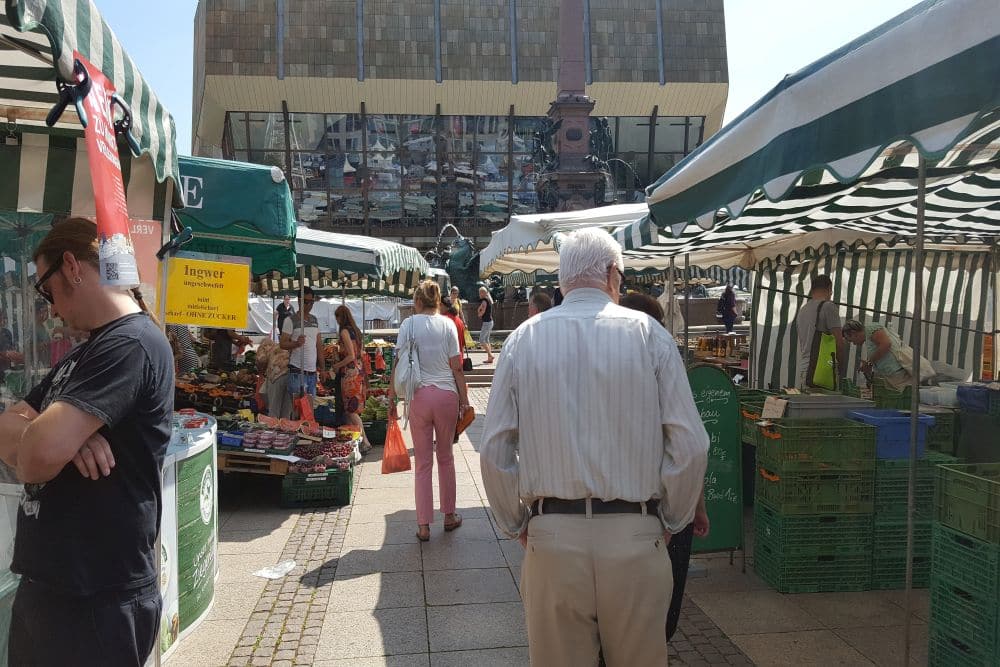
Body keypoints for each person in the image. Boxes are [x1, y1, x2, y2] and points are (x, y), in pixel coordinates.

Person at [480, 228, 709, 667]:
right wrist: (671, 519)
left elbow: (494, 451)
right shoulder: (650, 335)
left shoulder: (522, 341)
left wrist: (517, 524)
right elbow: (691, 445)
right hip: (635, 533)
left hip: (552, 535)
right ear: (611, 275)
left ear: (563, 280)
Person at [0, 217, 172, 666]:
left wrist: (50, 438)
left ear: (72, 265)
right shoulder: (88, 351)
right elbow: (6, 430)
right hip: (53, 589)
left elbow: (34, 460)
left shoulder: (130, 344)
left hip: (96, 597)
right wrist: (69, 440)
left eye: (45, 289)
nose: (50, 309)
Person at [619, 292, 710, 644]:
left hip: (617, 513)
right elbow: (689, 447)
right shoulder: (666, 363)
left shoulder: (602, 371)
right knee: (658, 622)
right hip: (666, 512)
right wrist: (693, 509)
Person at [388, 280, 470, 543]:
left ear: (417, 301)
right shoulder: (447, 324)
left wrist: (391, 398)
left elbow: (398, 362)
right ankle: (449, 516)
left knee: (423, 463)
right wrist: (464, 400)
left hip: (419, 396)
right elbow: (456, 366)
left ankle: (423, 525)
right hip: (446, 395)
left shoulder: (408, 324)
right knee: (446, 458)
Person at [330, 305, 371, 452]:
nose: (337, 321)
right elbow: (359, 353)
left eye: (337, 318)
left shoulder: (345, 331)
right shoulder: (356, 331)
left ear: (341, 317)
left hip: (350, 375)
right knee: (351, 410)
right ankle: (355, 442)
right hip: (358, 372)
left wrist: (337, 365)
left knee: (351, 410)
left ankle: (365, 441)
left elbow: (351, 356)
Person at [842, 319, 927, 390]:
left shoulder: (871, 328)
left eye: (850, 339)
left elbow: (886, 344)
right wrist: (869, 364)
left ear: (854, 333)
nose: (852, 343)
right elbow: (880, 352)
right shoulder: (868, 338)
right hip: (891, 375)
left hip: (897, 375)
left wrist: (869, 363)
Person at [795, 275, 847, 388]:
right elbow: (838, 342)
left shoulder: (802, 310)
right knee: (825, 405)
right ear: (829, 288)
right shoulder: (828, 307)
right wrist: (840, 368)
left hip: (805, 370)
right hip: (823, 371)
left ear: (812, 290)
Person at [281, 287, 325, 402]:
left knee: (309, 413)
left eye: (311, 302)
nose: (309, 305)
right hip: (297, 372)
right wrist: (296, 343)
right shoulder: (290, 320)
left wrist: (323, 369)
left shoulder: (314, 320)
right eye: (306, 302)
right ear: (299, 301)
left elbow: (319, 346)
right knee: (297, 412)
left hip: (312, 374)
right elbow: (282, 344)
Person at [255, 337, 291, 418]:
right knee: (286, 410)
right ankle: (285, 428)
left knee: (274, 409)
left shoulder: (268, 347)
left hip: (276, 376)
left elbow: (261, 360)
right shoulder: (289, 346)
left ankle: (273, 429)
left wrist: (261, 369)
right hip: (291, 376)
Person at [477, 285, 495, 364]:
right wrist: (479, 310)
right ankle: (489, 358)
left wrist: (479, 314)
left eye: (480, 293)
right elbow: (480, 308)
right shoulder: (488, 299)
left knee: (481, 340)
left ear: (483, 293)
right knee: (487, 340)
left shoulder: (484, 301)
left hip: (487, 323)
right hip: (490, 322)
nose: (479, 294)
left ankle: (490, 355)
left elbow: (483, 310)